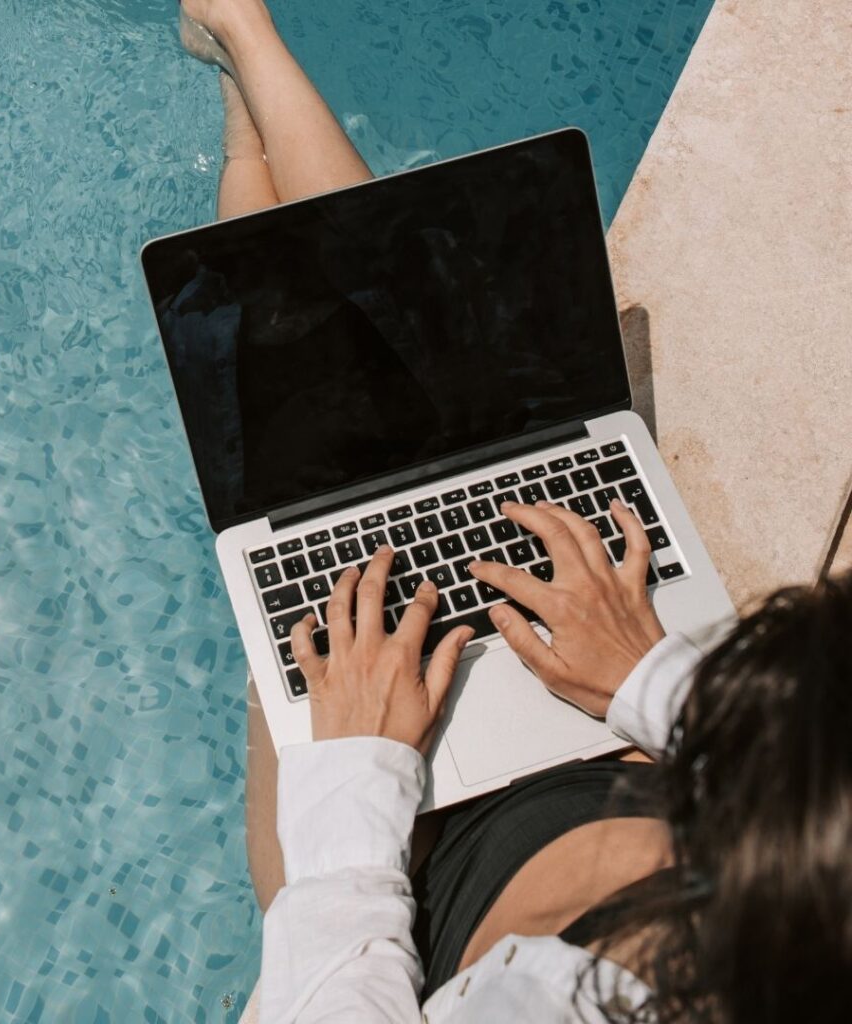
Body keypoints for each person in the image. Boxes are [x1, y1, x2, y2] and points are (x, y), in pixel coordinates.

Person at [176, 3, 852, 1020]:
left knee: (312, 501)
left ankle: (241, 76)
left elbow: (325, 987)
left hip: (413, 900)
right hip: (630, 779)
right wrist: (648, 673)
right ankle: (245, 59)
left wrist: (359, 758)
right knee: (463, 407)